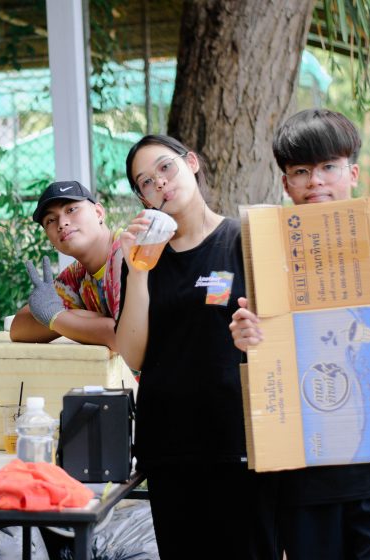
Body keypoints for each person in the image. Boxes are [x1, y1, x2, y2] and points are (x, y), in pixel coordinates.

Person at [230, 108, 370, 560]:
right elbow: (252, 347)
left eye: (328, 167)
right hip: (306, 479)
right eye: (301, 171)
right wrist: (246, 340)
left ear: (352, 173)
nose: (315, 181)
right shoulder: (261, 248)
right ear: (286, 184)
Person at [115, 135, 278, 558]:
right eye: (145, 182)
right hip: (169, 448)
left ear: (191, 163)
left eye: (165, 167)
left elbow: (277, 334)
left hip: (239, 442)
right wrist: (137, 271)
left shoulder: (241, 239)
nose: (159, 183)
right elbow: (133, 355)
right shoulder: (141, 258)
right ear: (143, 198)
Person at [10, 180, 124, 350]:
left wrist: (57, 317)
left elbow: (124, 337)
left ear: (98, 213)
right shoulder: (77, 275)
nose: (62, 223)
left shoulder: (130, 253)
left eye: (71, 210)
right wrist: (80, 317)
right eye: (50, 220)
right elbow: (18, 329)